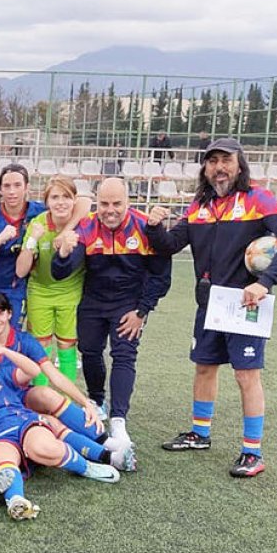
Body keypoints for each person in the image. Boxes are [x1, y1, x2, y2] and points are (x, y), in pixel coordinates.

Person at [147, 138, 277, 477]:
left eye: (226, 160)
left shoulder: (258, 199)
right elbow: (170, 245)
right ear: (204, 168)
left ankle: (253, 452)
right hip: (210, 304)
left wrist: (264, 282)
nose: (219, 168)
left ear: (239, 165)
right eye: (212, 161)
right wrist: (154, 227)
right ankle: (200, 433)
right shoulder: (200, 206)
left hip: (245, 304)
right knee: (204, 367)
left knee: (246, 374)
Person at [51, 177, 173, 444]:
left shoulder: (145, 226)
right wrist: (63, 254)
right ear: (96, 202)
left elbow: (161, 276)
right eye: (104, 204)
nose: (110, 210)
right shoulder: (85, 227)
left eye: (117, 203)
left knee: (124, 354)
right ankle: (97, 401)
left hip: (129, 304)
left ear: (128, 202)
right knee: (90, 351)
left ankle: (119, 420)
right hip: (93, 301)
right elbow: (60, 273)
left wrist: (141, 311)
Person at [0, 343, 125, 520]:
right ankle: (16, 501)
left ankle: (86, 467)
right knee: (3, 459)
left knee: (43, 447)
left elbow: (33, 370)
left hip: (23, 424)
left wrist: (3, 351)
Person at [0, 293, 104, 439]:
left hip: (21, 396)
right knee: (51, 423)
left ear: (9, 314)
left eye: (0, 313)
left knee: (46, 394)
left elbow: (54, 375)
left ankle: (104, 440)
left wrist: (86, 403)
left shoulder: (24, 340)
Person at [0, 164, 88, 327]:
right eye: (7, 186)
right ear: (0, 190)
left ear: (27, 187)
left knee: (12, 333)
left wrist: (65, 232)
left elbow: (84, 202)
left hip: (16, 285)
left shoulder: (38, 211)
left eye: (17, 185)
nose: (12, 191)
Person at [15, 175, 85, 385]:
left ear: (74, 200)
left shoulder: (82, 221)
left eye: (66, 196)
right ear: (46, 201)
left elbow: (87, 202)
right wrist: (33, 240)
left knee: (67, 346)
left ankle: (67, 398)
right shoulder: (38, 223)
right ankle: (41, 396)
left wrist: (67, 231)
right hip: (40, 291)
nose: (61, 202)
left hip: (71, 292)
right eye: (55, 197)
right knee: (41, 346)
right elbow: (20, 271)